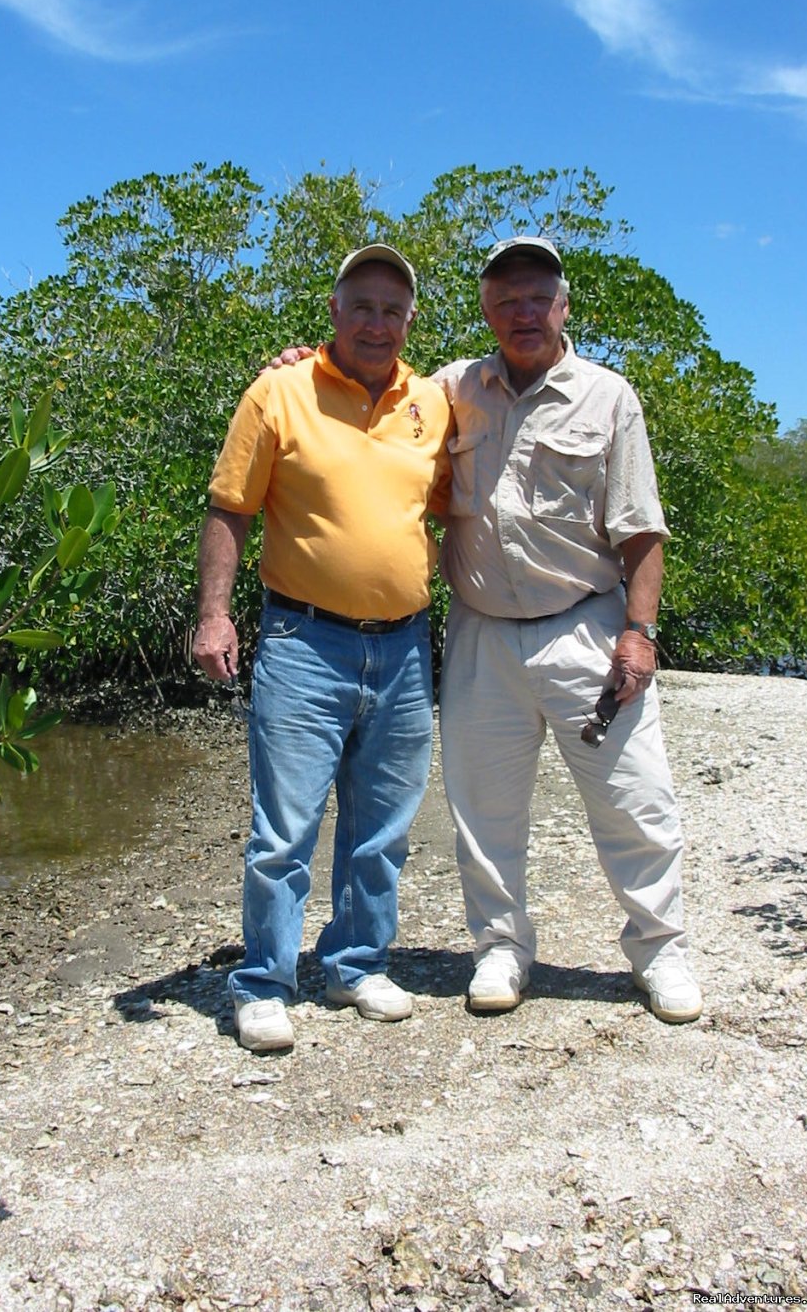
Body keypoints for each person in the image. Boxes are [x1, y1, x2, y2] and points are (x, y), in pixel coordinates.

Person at [192, 244, 452, 1053]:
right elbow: (229, 506)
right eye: (362, 306)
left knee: (383, 826)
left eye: (392, 309)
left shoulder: (435, 403)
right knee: (285, 829)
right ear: (334, 312)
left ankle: (355, 961)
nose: (377, 322)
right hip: (303, 641)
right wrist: (213, 614)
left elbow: (453, 510)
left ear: (409, 321)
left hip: (407, 648)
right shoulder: (280, 389)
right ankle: (264, 980)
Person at [436, 236, 701, 1024]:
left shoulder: (609, 395)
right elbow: (365, 394)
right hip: (480, 631)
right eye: (506, 298)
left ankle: (661, 951)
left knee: (636, 799)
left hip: (586, 624)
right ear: (486, 309)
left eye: (538, 297)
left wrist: (640, 630)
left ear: (564, 306)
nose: (523, 312)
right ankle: (500, 947)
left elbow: (642, 529)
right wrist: (303, 362)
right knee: (482, 809)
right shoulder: (450, 389)